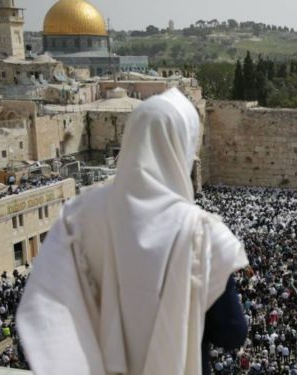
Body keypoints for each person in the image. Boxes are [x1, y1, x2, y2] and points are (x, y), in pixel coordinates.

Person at [16, 88, 249, 375]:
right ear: (183, 148)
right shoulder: (200, 232)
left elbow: (42, 319)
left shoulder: (80, 217)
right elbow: (232, 333)